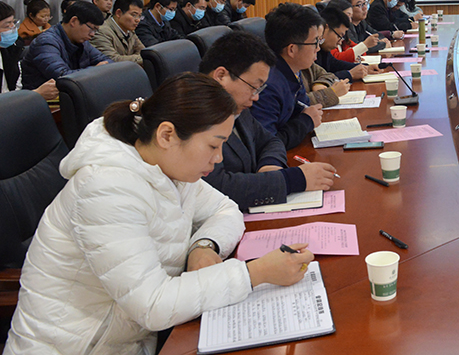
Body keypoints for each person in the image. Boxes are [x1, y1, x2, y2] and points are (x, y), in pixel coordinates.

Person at [4, 73, 314, 354]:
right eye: (213, 146)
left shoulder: (168, 165)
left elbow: (225, 210)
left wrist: (204, 246)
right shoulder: (106, 188)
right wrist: (255, 274)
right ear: (167, 135)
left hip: (134, 339)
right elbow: (152, 305)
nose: (219, 159)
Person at [201, 32, 338, 212]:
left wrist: (270, 164)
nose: (256, 97)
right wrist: (293, 179)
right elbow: (216, 188)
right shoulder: (193, 115)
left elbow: (270, 141)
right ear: (221, 76)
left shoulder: (234, 105)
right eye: (253, 87)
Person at [250, 3, 326, 150]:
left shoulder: (293, 70)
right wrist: (306, 121)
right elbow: (267, 144)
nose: (318, 48)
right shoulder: (267, 85)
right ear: (292, 50)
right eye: (315, 42)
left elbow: (302, 107)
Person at [21, 1, 110, 91]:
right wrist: (95, 71)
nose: (92, 34)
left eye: (95, 30)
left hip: (72, 94)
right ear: (73, 21)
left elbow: (106, 61)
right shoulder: (46, 42)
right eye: (91, 29)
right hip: (46, 98)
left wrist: (102, 69)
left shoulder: (81, 41)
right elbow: (63, 77)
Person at [0, 1, 58, 99]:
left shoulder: (10, 51)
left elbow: (14, 90)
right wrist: (36, 94)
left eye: (13, 23)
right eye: (7, 26)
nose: (13, 28)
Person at [317, 3, 371, 82]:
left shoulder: (324, 49)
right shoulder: (313, 50)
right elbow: (318, 79)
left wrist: (365, 67)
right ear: (326, 28)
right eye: (339, 36)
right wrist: (349, 74)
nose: (340, 42)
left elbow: (335, 64)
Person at [90, 0, 145, 65]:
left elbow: (143, 51)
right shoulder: (101, 31)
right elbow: (112, 60)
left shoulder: (130, 30)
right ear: (118, 13)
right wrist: (143, 58)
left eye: (139, 16)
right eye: (134, 15)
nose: (138, 20)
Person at [321, 0, 380, 64]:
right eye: (347, 15)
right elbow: (335, 59)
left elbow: (360, 52)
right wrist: (364, 45)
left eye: (351, 17)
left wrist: (353, 54)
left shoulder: (344, 33)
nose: (350, 20)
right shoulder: (331, 36)